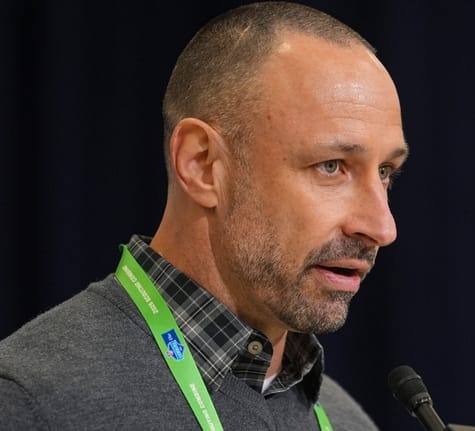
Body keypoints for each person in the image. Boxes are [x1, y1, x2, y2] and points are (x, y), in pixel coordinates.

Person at [0, 2, 408, 430]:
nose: (381, 227)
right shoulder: (32, 401)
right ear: (202, 164)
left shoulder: (347, 422)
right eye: (332, 166)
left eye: (386, 173)